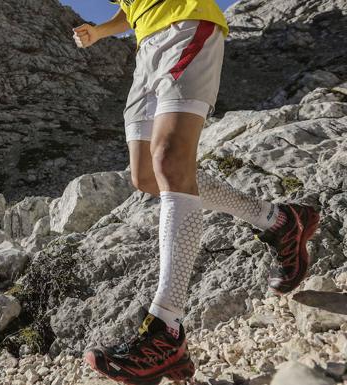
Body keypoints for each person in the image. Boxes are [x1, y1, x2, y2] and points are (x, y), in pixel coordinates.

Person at [72, 1, 320, 383]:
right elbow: (131, 7)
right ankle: (281, 221)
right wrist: (103, 30)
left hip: (185, 24)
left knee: (171, 159)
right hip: (146, 48)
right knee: (146, 176)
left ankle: (165, 330)